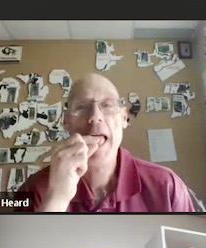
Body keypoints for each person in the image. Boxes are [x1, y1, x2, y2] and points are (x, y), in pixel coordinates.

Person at [18, 74, 195, 212]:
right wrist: (56, 198)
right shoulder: (32, 189)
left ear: (124, 118)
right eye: (81, 107)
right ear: (66, 122)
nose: (95, 116)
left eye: (108, 105)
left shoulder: (167, 186)